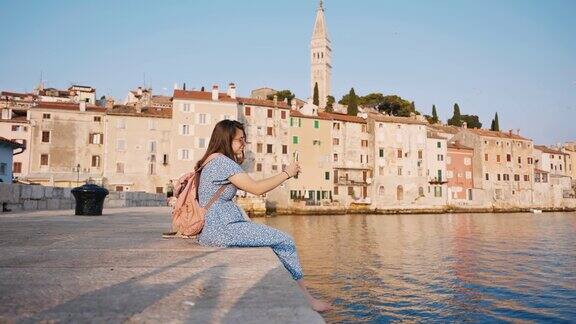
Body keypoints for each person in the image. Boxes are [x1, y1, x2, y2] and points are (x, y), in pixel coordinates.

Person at [195, 119, 332, 312]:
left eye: (244, 139)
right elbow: (257, 189)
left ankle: (298, 294)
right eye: (240, 140)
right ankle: (307, 300)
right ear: (227, 140)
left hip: (212, 228)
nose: (244, 144)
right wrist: (287, 173)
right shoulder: (223, 163)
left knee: (275, 239)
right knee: (285, 241)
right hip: (222, 229)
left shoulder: (209, 160)